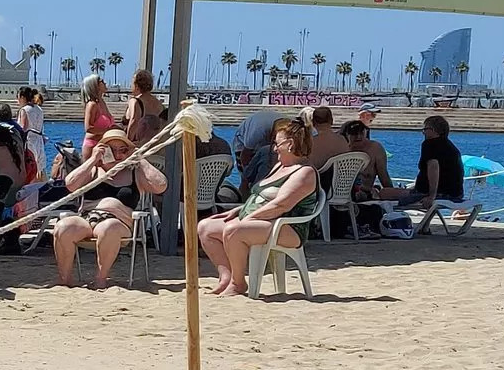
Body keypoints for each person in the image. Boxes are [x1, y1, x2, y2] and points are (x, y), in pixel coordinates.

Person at [196, 116, 321, 296]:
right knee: (206, 227)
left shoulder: (304, 172)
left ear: (291, 144)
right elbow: (260, 196)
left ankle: (238, 283)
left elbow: (281, 205)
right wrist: (239, 210)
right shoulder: (280, 165)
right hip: (262, 220)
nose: (274, 147)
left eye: (277, 143)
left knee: (233, 230)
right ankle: (226, 277)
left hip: (287, 227)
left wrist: (248, 218)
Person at [51, 126, 165, 287]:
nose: (118, 155)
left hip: (119, 223)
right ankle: (65, 279)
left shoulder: (133, 172)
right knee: (63, 227)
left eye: (123, 150)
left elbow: (161, 186)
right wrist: (93, 159)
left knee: (108, 227)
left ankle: (100, 279)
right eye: (112, 150)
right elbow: (70, 184)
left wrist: (140, 159)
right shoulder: (93, 171)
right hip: (88, 218)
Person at [393, 113, 466, 219]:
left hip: (437, 193)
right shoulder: (451, 147)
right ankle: (425, 227)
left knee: (383, 194)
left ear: (433, 130)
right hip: (455, 193)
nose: (423, 132)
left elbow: (433, 168)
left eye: (425, 129)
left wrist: (431, 196)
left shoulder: (430, 144)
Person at [232, 106, 279, 194]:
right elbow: (245, 154)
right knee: (245, 179)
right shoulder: (257, 131)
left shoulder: (290, 127)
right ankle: (244, 200)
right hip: (243, 145)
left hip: (265, 140)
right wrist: (247, 172)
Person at [15, 83, 50, 185]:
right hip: (39, 140)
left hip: (29, 141)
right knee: (39, 167)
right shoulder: (39, 109)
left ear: (22, 97)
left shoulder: (24, 110)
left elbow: (23, 128)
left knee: (29, 165)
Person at [121, 68, 165, 147]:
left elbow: (134, 121)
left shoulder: (135, 101)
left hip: (137, 144)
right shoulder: (159, 104)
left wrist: (127, 143)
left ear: (136, 85)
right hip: (152, 144)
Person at [79, 74, 113, 150]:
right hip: (92, 145)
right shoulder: (92, 105)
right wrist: (108, 131)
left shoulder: (102, 103)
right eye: (102, 81)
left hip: (104, 145)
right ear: (95, 86)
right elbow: (88, 128)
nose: (105, 83)